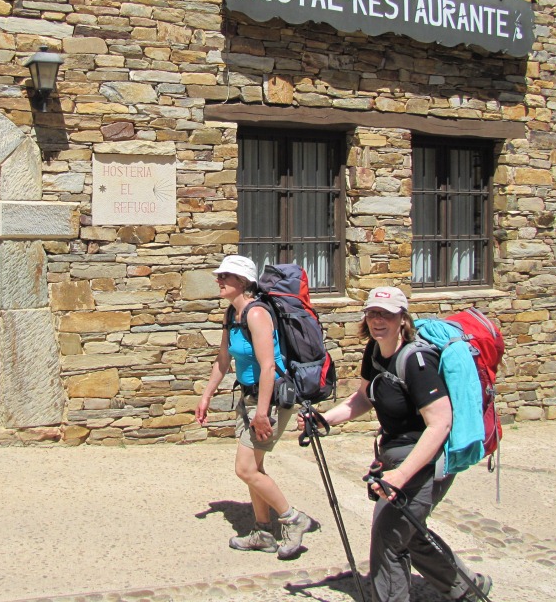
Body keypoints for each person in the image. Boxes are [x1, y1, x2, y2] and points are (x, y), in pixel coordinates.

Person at [311, 286, 491, 602]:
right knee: (409, 531)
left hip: (425, 462)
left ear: (402, 319)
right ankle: (467, 588)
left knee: (389, 538)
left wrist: (401, 475)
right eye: (373, 313)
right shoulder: (375, 351)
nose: (379, 320)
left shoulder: (417, 362)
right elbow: (365, 397)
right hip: (395, 456)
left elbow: (440, 425)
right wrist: (326, 419)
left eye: (387, 314)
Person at [195, 255, 315, 560]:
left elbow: (267, 366)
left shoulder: (257, 314)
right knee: (255, 468)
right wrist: (207, 395)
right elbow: (223, 361)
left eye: (226, 276)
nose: (219, 280)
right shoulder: (231, 315)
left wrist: (262, 413)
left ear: (243, 282)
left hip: (270, 399)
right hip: (248, 397)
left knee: (245, 468)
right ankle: (263, 532)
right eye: (220, 275)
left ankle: (292, 518)